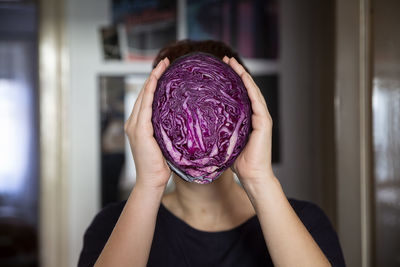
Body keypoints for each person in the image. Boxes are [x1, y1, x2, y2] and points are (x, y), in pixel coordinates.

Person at [78, 40, 345, 267]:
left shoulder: (305, 222)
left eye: (215, 110)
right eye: (180, 109)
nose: (200, 124)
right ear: (148, 119)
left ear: (251, 116)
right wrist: (149, 184)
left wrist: (259, 179)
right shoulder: (112, 227)